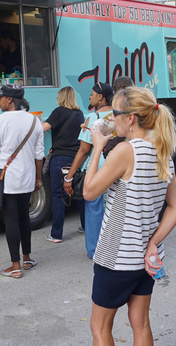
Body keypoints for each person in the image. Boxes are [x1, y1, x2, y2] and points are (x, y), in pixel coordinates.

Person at [83, 86, 176, 346]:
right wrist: (153, 242)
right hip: (147, 258)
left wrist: (97, 148)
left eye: (115, 113)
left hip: (116, 256)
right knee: (140, 323)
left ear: (130, 118)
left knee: (100, 326)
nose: (111, 118)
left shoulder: (127, 151)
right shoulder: (162, 152)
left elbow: (89, 192)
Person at [0, 84, 44, 279]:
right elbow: (39, 154)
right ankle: (27, 258)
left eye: (0, 97)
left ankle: (15, 266)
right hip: (27, 177)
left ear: (9, 100)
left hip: (8, 177)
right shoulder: (34, 121)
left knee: (11, 220)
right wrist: (38, 178)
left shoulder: (0, 121)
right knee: (24, 218)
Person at [65, 83, 114, 259]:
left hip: (97, 167)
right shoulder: (118, 115)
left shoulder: (93, 118)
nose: (90, 97)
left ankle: (95, 251)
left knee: (94, 209)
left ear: (100, 97)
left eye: (92, 94)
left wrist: (69, 176)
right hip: (115, 167)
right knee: (113, 208)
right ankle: (112, 247)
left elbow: (84, 150)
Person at [42, 87, 86, 243]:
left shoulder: (59, 111)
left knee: (58, 195)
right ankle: (85, 226)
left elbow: (43, 128)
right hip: (76, 159)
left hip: (60, 158)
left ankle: (56, 234)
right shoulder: (79, 114)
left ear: (61, 97)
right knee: (78, 192)